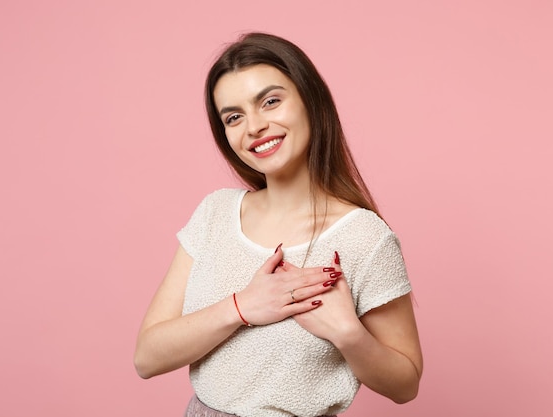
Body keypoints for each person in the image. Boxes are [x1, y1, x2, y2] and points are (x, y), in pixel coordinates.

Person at [134, 32, 423, 417]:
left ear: (311, 102)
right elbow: (147, 358)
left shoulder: (364, 237)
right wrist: (242, 307)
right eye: (233, 117)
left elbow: (406, 385)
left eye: (270, 101)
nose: (253, 126)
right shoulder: (215, 214)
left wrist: (348, 333)